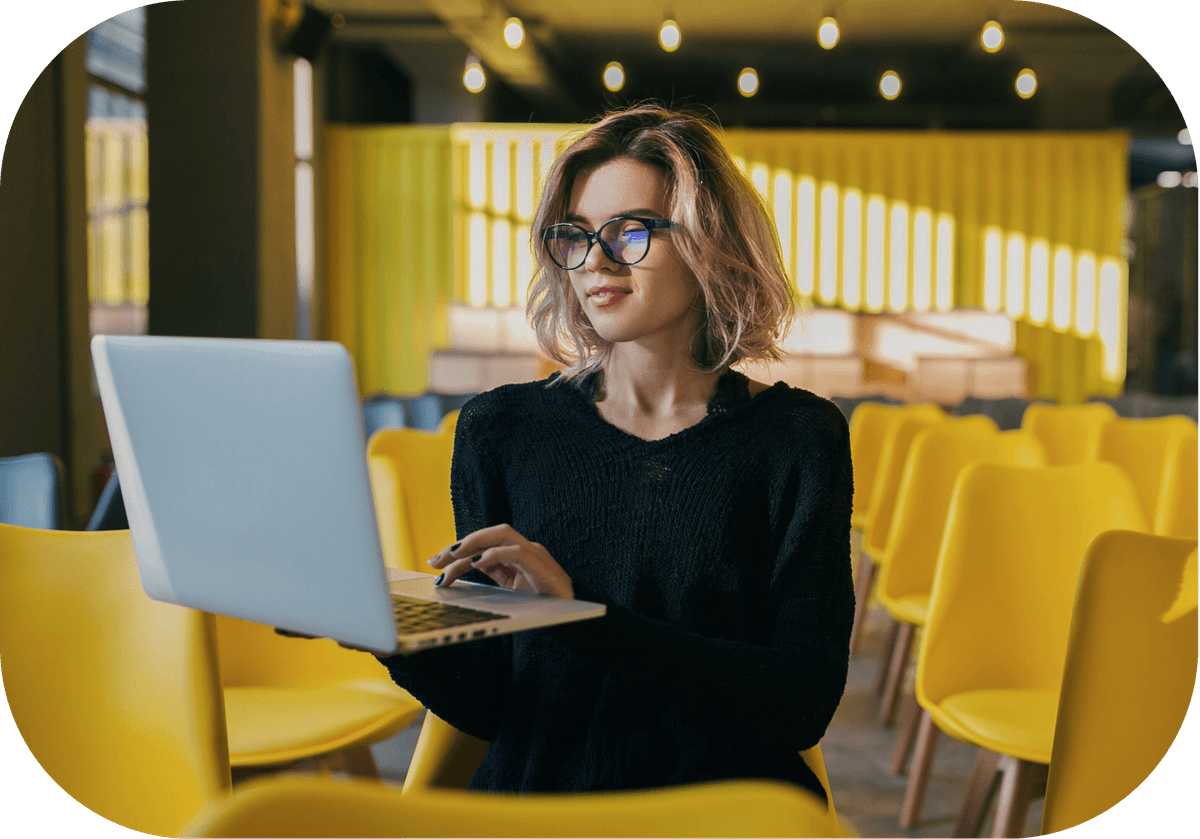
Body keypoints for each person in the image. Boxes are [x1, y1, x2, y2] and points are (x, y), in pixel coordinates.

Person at [383, 104, 854, 802]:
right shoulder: (499, 429)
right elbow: (493, 702)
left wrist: (583, 616)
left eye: (629, 231)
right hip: (541, 802)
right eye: (573, 235)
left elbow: (798, 702)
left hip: (722, 805)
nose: (595, 260)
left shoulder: (797, 439)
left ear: (707, 241)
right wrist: (387, 630)